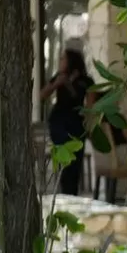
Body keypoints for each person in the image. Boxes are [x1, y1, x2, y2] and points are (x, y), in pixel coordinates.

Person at [40, 47, 95, 196]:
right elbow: (42, 95)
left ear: (71, 61)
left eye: (63, 58)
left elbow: (90, 106)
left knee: (75, 163)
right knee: (65, 159)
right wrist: (56, 84)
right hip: (59, 122)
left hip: (76, 123)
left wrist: (89, 127)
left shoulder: (87, 81)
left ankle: (71, 194)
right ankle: (64, 191)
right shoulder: (59, 76)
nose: (60, 61)